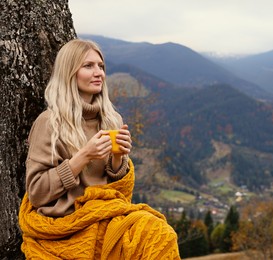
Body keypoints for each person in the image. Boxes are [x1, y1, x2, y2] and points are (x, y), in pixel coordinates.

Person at [18, 39, 180, 259]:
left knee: (160, 234)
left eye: (101, 66)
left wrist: (118, 158)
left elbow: (117, 192)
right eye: (88, 66)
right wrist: (83, 157)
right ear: (69, 72)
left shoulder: (112, 119)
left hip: (105, 214)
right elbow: (36, 193)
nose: (98, 73)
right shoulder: (49, 123)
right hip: (67, 223)